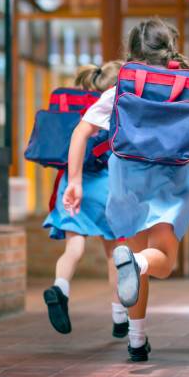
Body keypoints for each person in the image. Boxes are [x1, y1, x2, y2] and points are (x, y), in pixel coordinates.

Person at [63, 18, 189, 361]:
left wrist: (74, 181)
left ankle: (136, 339)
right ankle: (136, 264)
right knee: (160, 261)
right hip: (171, 179)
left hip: (126, 178)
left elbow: (81, 132)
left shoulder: (121, 87)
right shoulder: (188, 86)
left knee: (134, 258)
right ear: (170, 45)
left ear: (132, 48)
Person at [43, 61, 129, 338]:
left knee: (73, 248)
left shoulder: (78, 109)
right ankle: (119, 317)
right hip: (106, 185)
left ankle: (60, 287)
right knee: (113, 253)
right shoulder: (113, 106)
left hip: (73, 183)